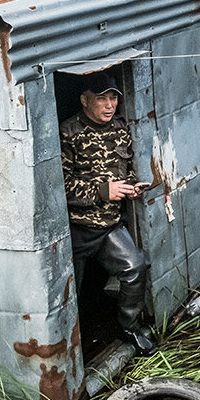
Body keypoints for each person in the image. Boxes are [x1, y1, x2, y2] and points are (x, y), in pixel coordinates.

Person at [59, 71, 155, 355]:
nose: (109, 105)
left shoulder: (120, 129)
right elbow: (59, 189)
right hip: (76, 229)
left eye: (113, 97)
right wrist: (104, 191)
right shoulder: (68, 133)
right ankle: (67, 348)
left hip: (109, 225)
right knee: (67, 295)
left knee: (136, 267)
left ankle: (129, 327)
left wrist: (132, 186)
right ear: (84, 100)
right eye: (102, 99)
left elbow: (126, 168)